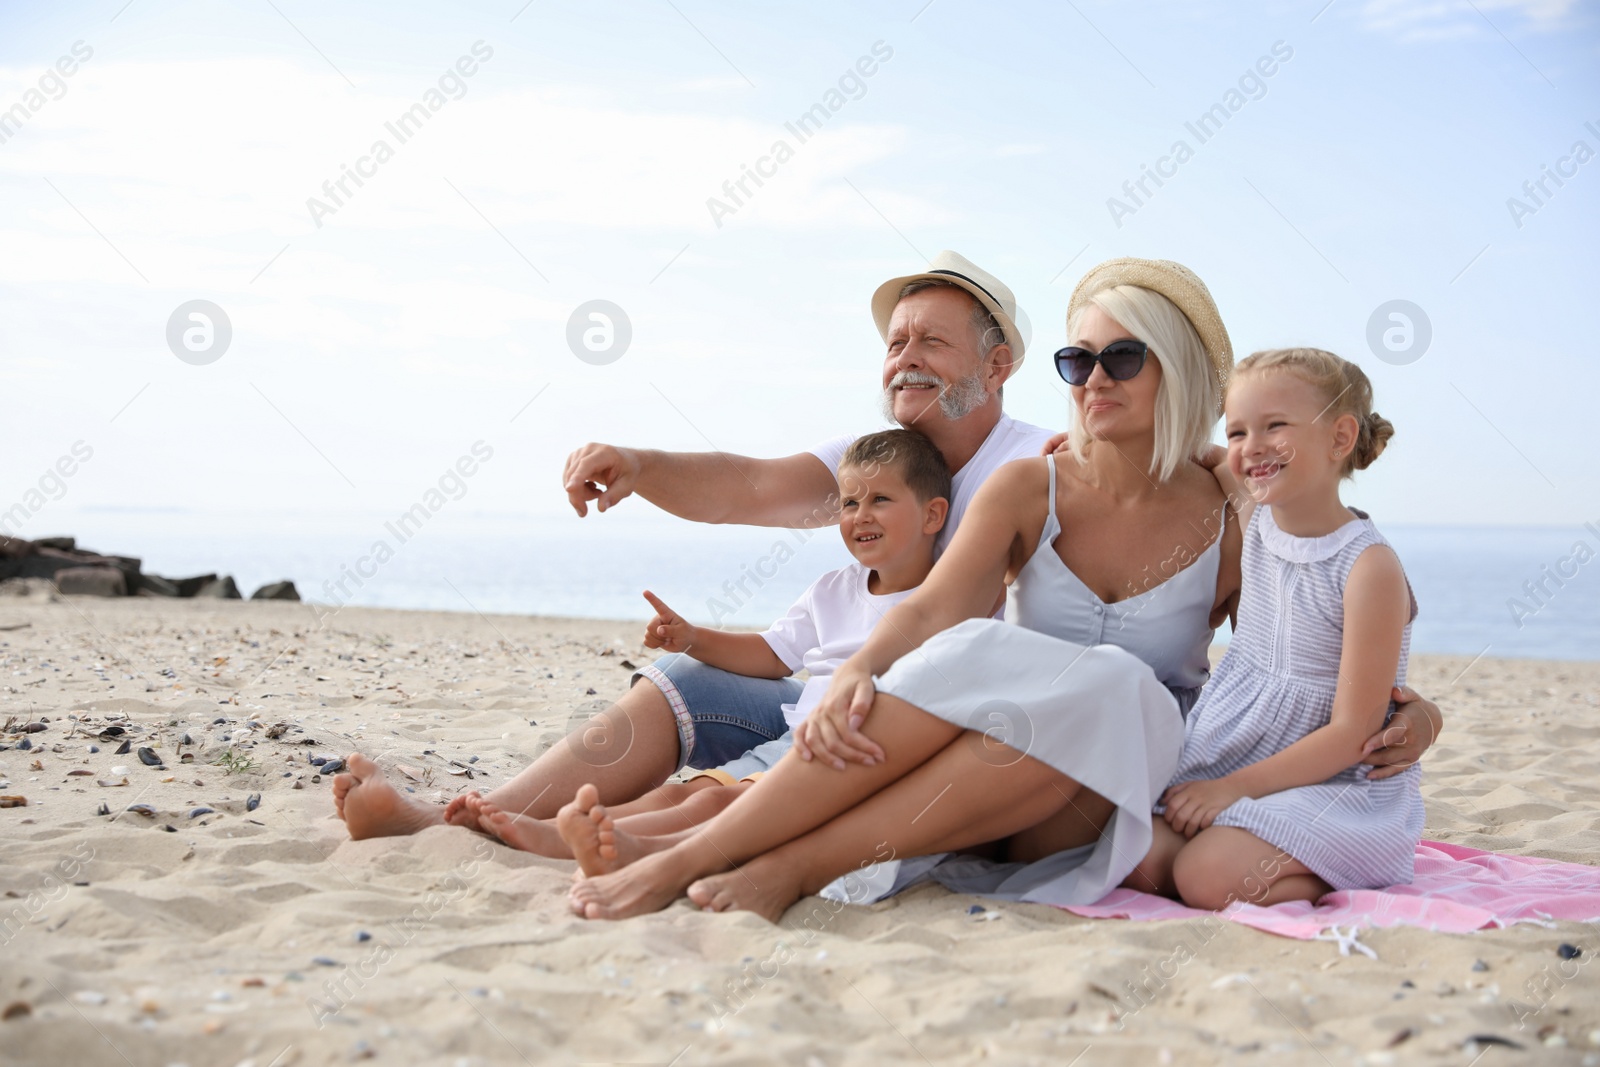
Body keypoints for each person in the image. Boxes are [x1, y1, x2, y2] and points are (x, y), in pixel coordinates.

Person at [562, 258, 1431, 922]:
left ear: (1178, 371)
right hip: (999, 761)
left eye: (1122, 357)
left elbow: (1316, 620)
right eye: (1077, 358)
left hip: (1120, 772)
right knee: (974, 648)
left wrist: (1412, 708)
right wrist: (864, 664)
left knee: (1113, 681)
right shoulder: (1030, 483)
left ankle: (779, 864)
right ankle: (706, 854)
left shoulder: (1234, 505)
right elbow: (937, 605)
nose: (1094, 378)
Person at [331, 252, 1058, 839]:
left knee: (722, 792)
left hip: (926, 724)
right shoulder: (876, 460)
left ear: (997, 367)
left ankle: (542, 835)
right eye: (896, 341)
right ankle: (466, 820)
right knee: (684, 675)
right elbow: (747, 487)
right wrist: (642, 466)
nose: (905, 358)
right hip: (829, 699)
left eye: (932, 339)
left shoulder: (1041, 465)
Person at [461, 429, 951, 876]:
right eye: (848, 503)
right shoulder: (833, 590)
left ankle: (611, 846)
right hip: (795, 740)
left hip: (848, 752)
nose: (859, 516)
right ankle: (573, 829)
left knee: (711, 809)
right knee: (689, 793)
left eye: (880, 500)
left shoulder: (953, 594)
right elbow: (771, 654)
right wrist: (693, 638)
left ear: (933, 514)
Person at [1126, 348, 1423, 908]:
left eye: (1275, 426)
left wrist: (1230, 791)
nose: (1251, 446)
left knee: (1204, 876)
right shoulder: (1254, 515)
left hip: (1328, 781)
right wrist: (1082, 449)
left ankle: (1339, 871)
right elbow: (1208, 456)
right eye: (1238, 430)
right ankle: (1237, 846)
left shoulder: (1369, 567)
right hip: (1235, 749)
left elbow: (1351, 733)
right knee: (1134, 858)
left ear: (1339, 439)